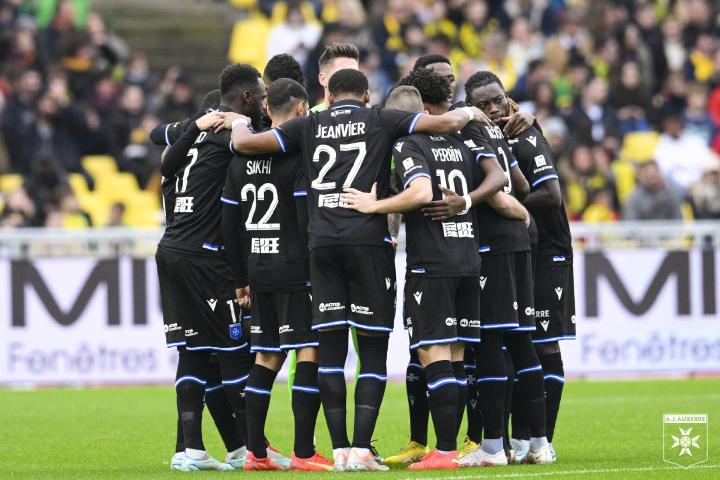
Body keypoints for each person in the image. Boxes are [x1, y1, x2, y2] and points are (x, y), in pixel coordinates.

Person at [220, 68, 490, 471]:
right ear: (366, 97)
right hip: (368, 242)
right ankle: (362, 448)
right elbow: (445, 122)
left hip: (322, 246)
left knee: (330, 353)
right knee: (372, 351)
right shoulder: (381, 117)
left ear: (328, 97)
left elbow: (246, 144)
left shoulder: (308, 124)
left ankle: (340, 450)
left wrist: (238, 123)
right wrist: (469, 112)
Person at [341, 75, 501, 470]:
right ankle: (450, 449)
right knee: (457, 357)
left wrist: (373, 206)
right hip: (468, 259)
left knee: (433, 354)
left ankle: (443, 452)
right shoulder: (463, 141)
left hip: (433, 263)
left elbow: (420, 193)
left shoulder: (410, 144)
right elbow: (497, 183)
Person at [154, 64, 266, 471]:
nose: (264, 104)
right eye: (261, 96)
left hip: (170, 250)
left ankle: (191, 450)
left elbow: (156, 137)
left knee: (195, 352)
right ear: (246, 99)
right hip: (204, 257)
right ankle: (253, 450)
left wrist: (193, 125)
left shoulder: (189, 140)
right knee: (233, 353)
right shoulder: (232, 137)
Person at [220, 78, 332, 471]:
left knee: (266, 357)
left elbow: (229, 225)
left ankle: (255, 453)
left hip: (259, 269)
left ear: (268, 110)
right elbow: (303, 217)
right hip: (295, 269)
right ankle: (304, 452)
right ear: (302, 109)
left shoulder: (240, 159)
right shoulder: (297, 154)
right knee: (309, 350)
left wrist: (240, 278)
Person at [465, 70, 575, 464]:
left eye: (498, 99)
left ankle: (540, 440)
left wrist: (499, 205)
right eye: (483, 104)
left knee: (542, 343)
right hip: (521, 249)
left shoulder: (525, 134)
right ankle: (523, 440)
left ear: (508, 97)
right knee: (516, 342)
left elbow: (551, 194)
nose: (494, 108)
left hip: (547, 250)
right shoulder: (488, 136)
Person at [310, 43, 360, 112]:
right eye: (342, 73)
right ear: (323, 79)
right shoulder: (309, 117)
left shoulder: (370, 117)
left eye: (355, 74)